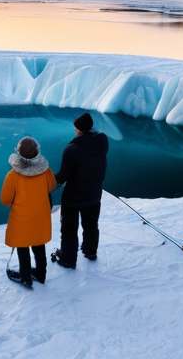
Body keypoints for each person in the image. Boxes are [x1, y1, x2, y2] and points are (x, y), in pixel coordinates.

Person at [52, 112, 108, 269]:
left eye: (75, 127)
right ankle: (90, 252)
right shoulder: (102, 143)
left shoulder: (72, 149)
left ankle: (67, 259)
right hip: (94, 194)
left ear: (78, 128)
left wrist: (46, 185)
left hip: (73, 197)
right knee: (91, 225)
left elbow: (63, 176)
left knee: (69, 228)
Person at [0, 137, 57, 289]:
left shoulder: (12, 175)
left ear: (18, 153)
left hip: (21, 219)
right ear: (37, 152)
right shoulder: (46, 171)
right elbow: (51, 187)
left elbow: (5, 200)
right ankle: (41, 274)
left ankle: (25, 278)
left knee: (22, 246)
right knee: (39, 244)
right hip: (40, 216)